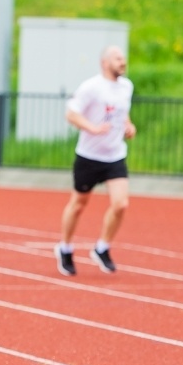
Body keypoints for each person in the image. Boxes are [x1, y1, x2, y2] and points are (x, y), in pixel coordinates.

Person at [55, 45, 136, 276]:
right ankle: (65, 248)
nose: (123, 62)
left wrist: (129, 126)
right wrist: (92, 128)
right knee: (79, 204)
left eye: (124, 58)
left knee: (121, 204)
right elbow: (71, 113)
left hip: (115, 155)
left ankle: (102, 248)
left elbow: (122, 113)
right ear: (105, 63)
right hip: (89, 157)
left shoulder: (126, 87)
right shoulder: (91, 87)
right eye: (118, 58)